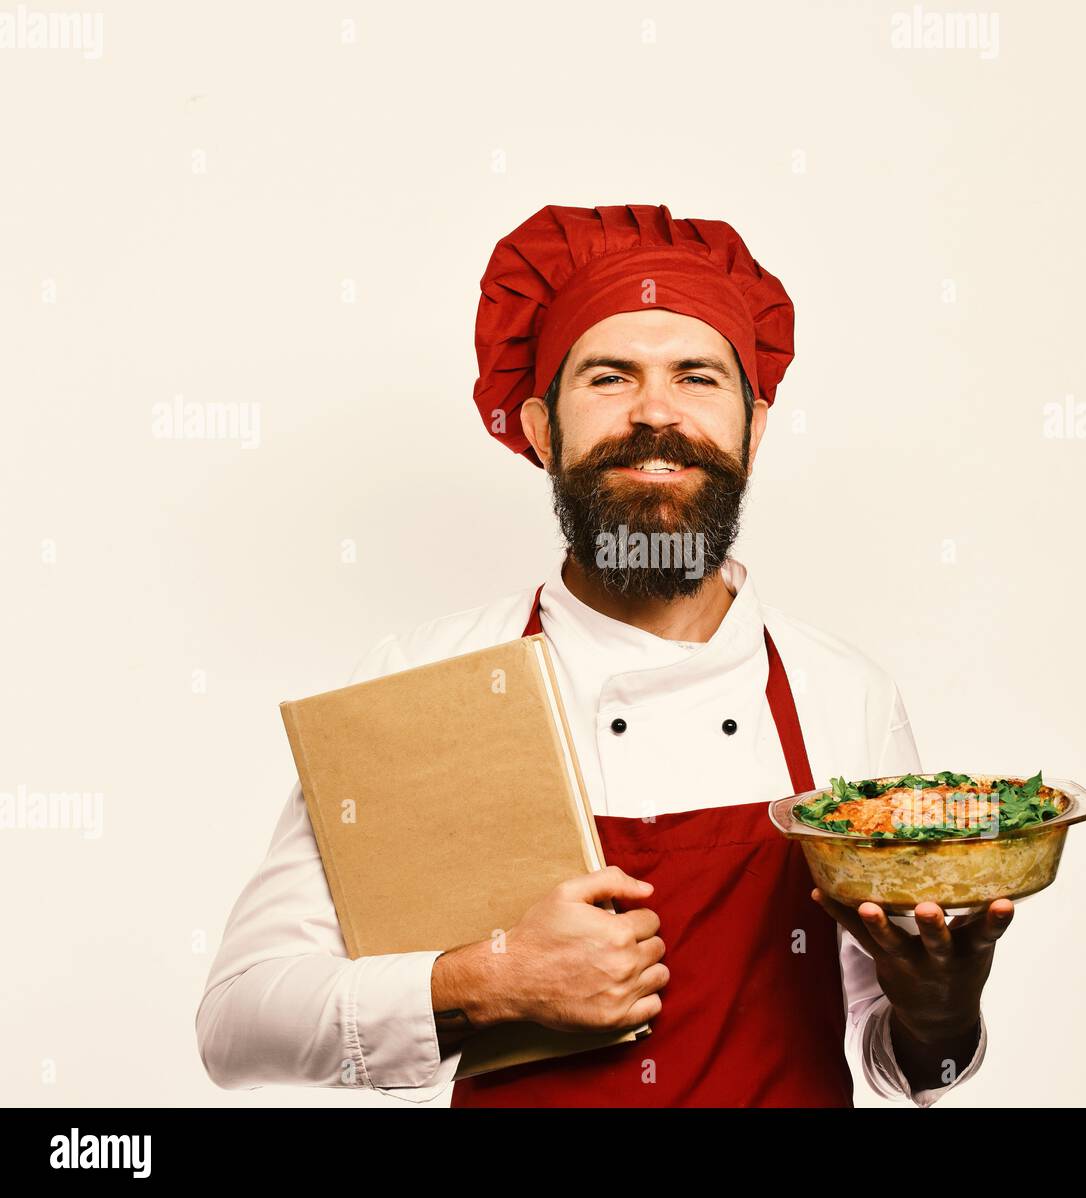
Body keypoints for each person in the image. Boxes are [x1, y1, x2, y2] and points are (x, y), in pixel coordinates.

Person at [196, 203, 1015, 1108]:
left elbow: (899, 1058)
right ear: (543, 430)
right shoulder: (428, 678)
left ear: (754, 424)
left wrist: (942, 1014)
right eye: (610, 376)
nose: (655, 412)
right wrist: (485, 979)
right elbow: (238, 1022)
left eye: (697, 377)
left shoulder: (843, 690)